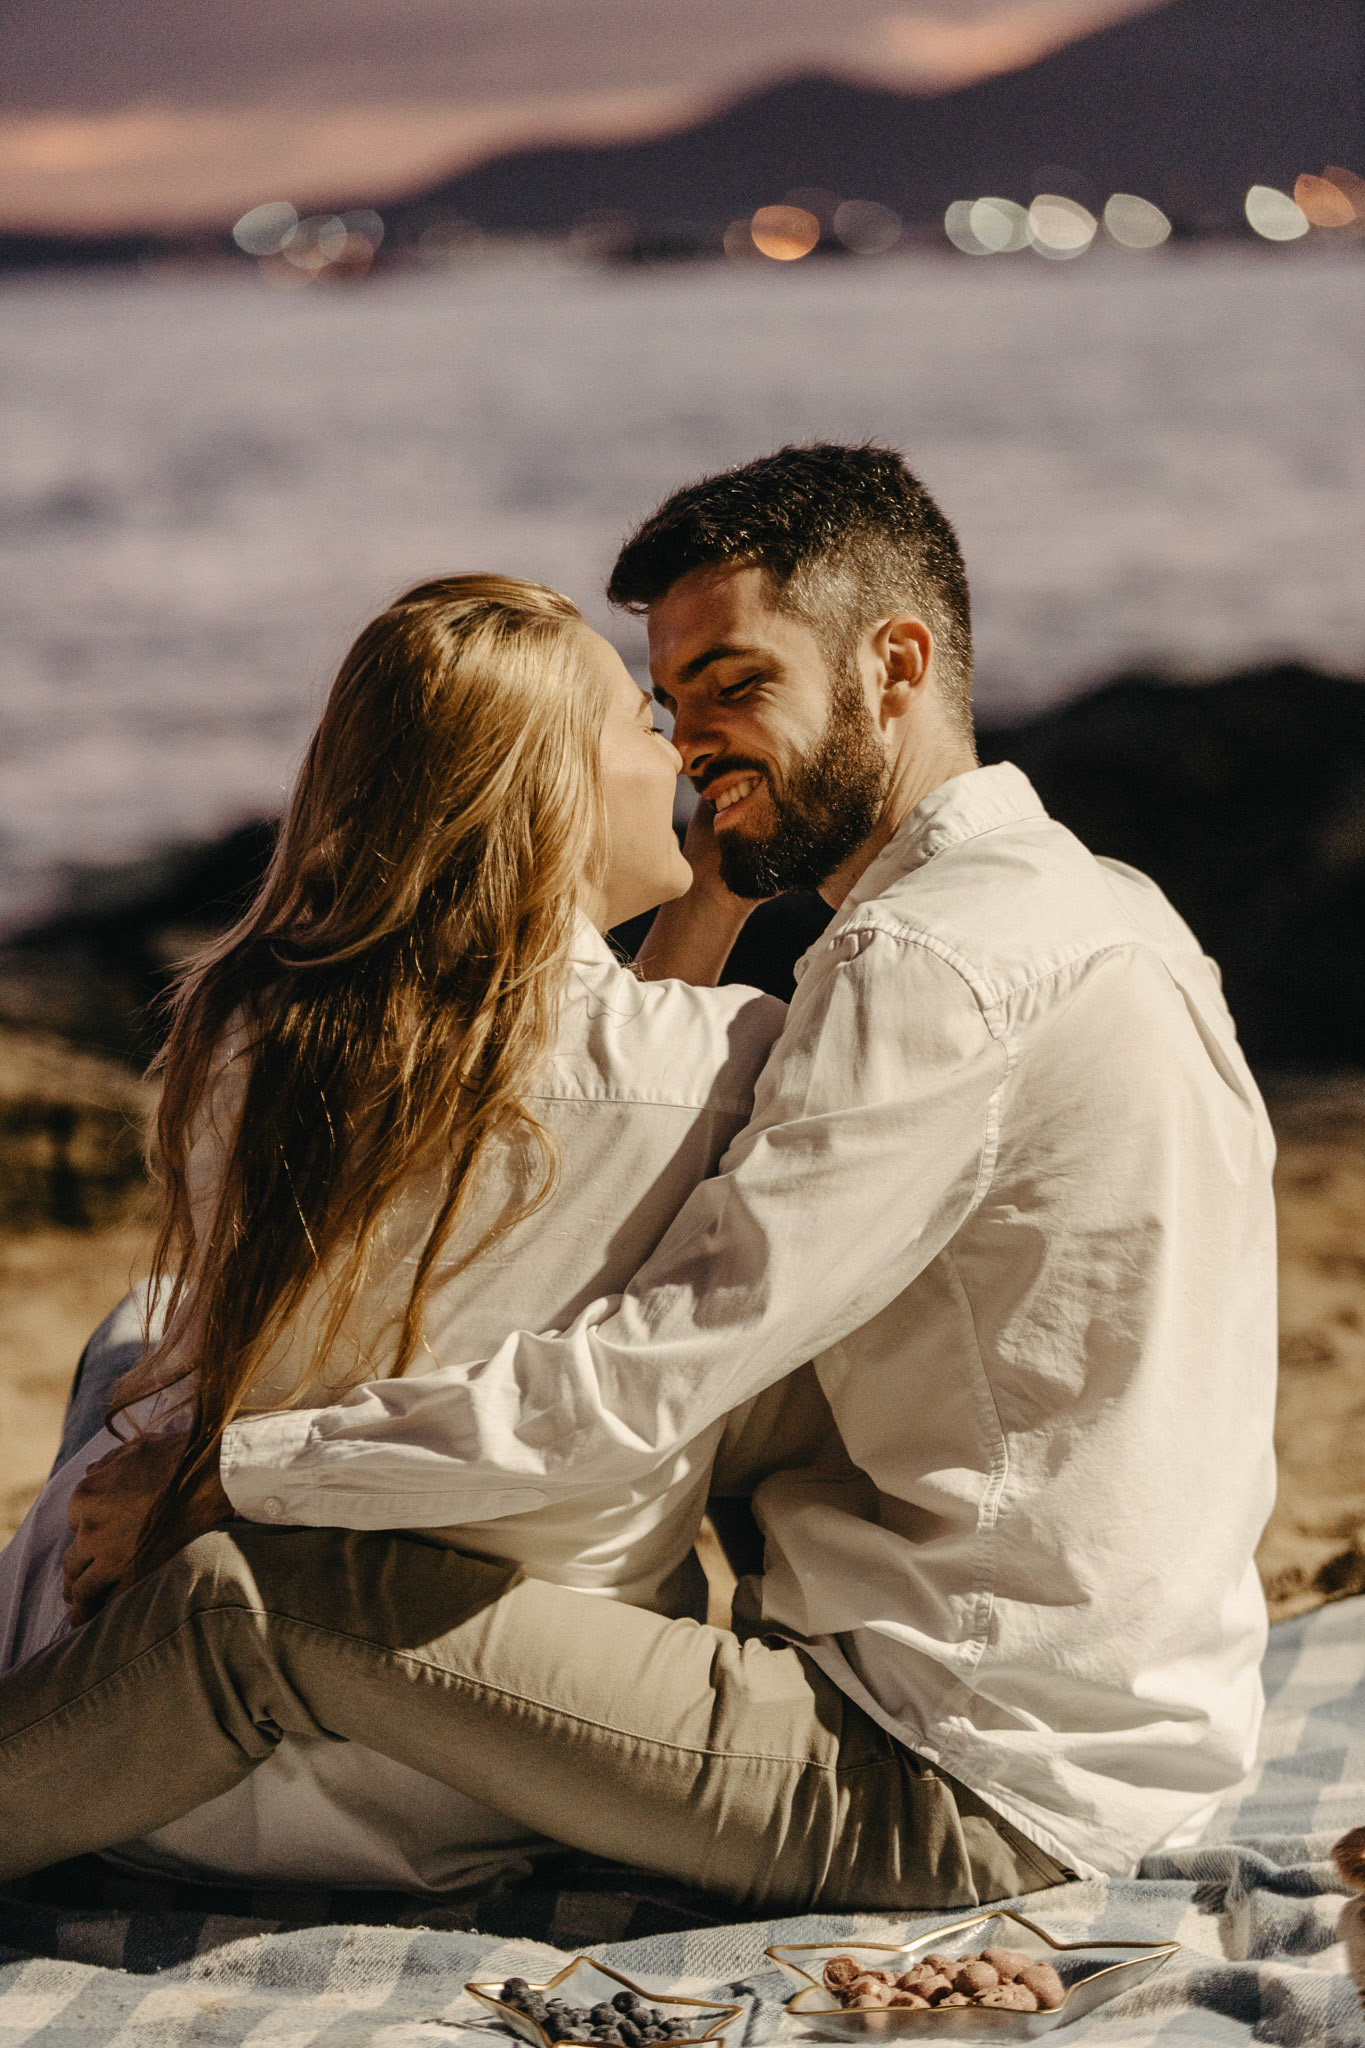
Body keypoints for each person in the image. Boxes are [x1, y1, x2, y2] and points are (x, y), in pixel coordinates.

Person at [0, 446, 1278, 1915]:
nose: (689, 746)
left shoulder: (919, 970)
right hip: (1129, 1713)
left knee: (262, 1586)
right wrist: (715, 895)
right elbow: (639, 1144)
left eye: (734, 686)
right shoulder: (1101, 906)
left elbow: (639, 1379)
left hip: (952, 1763)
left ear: (895, 666)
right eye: (664, 705)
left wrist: (232, 1473)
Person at [0, 570, 790, 1893]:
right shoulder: (731, 1063)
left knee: (136, 1337)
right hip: (486, 1775)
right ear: (552, 789)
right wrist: (715, 906)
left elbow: (556, 1079)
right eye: (641, 724)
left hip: (165, 1771)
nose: (675, 756)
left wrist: (696, 907)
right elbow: (624, 1104)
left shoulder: (251, 1028)